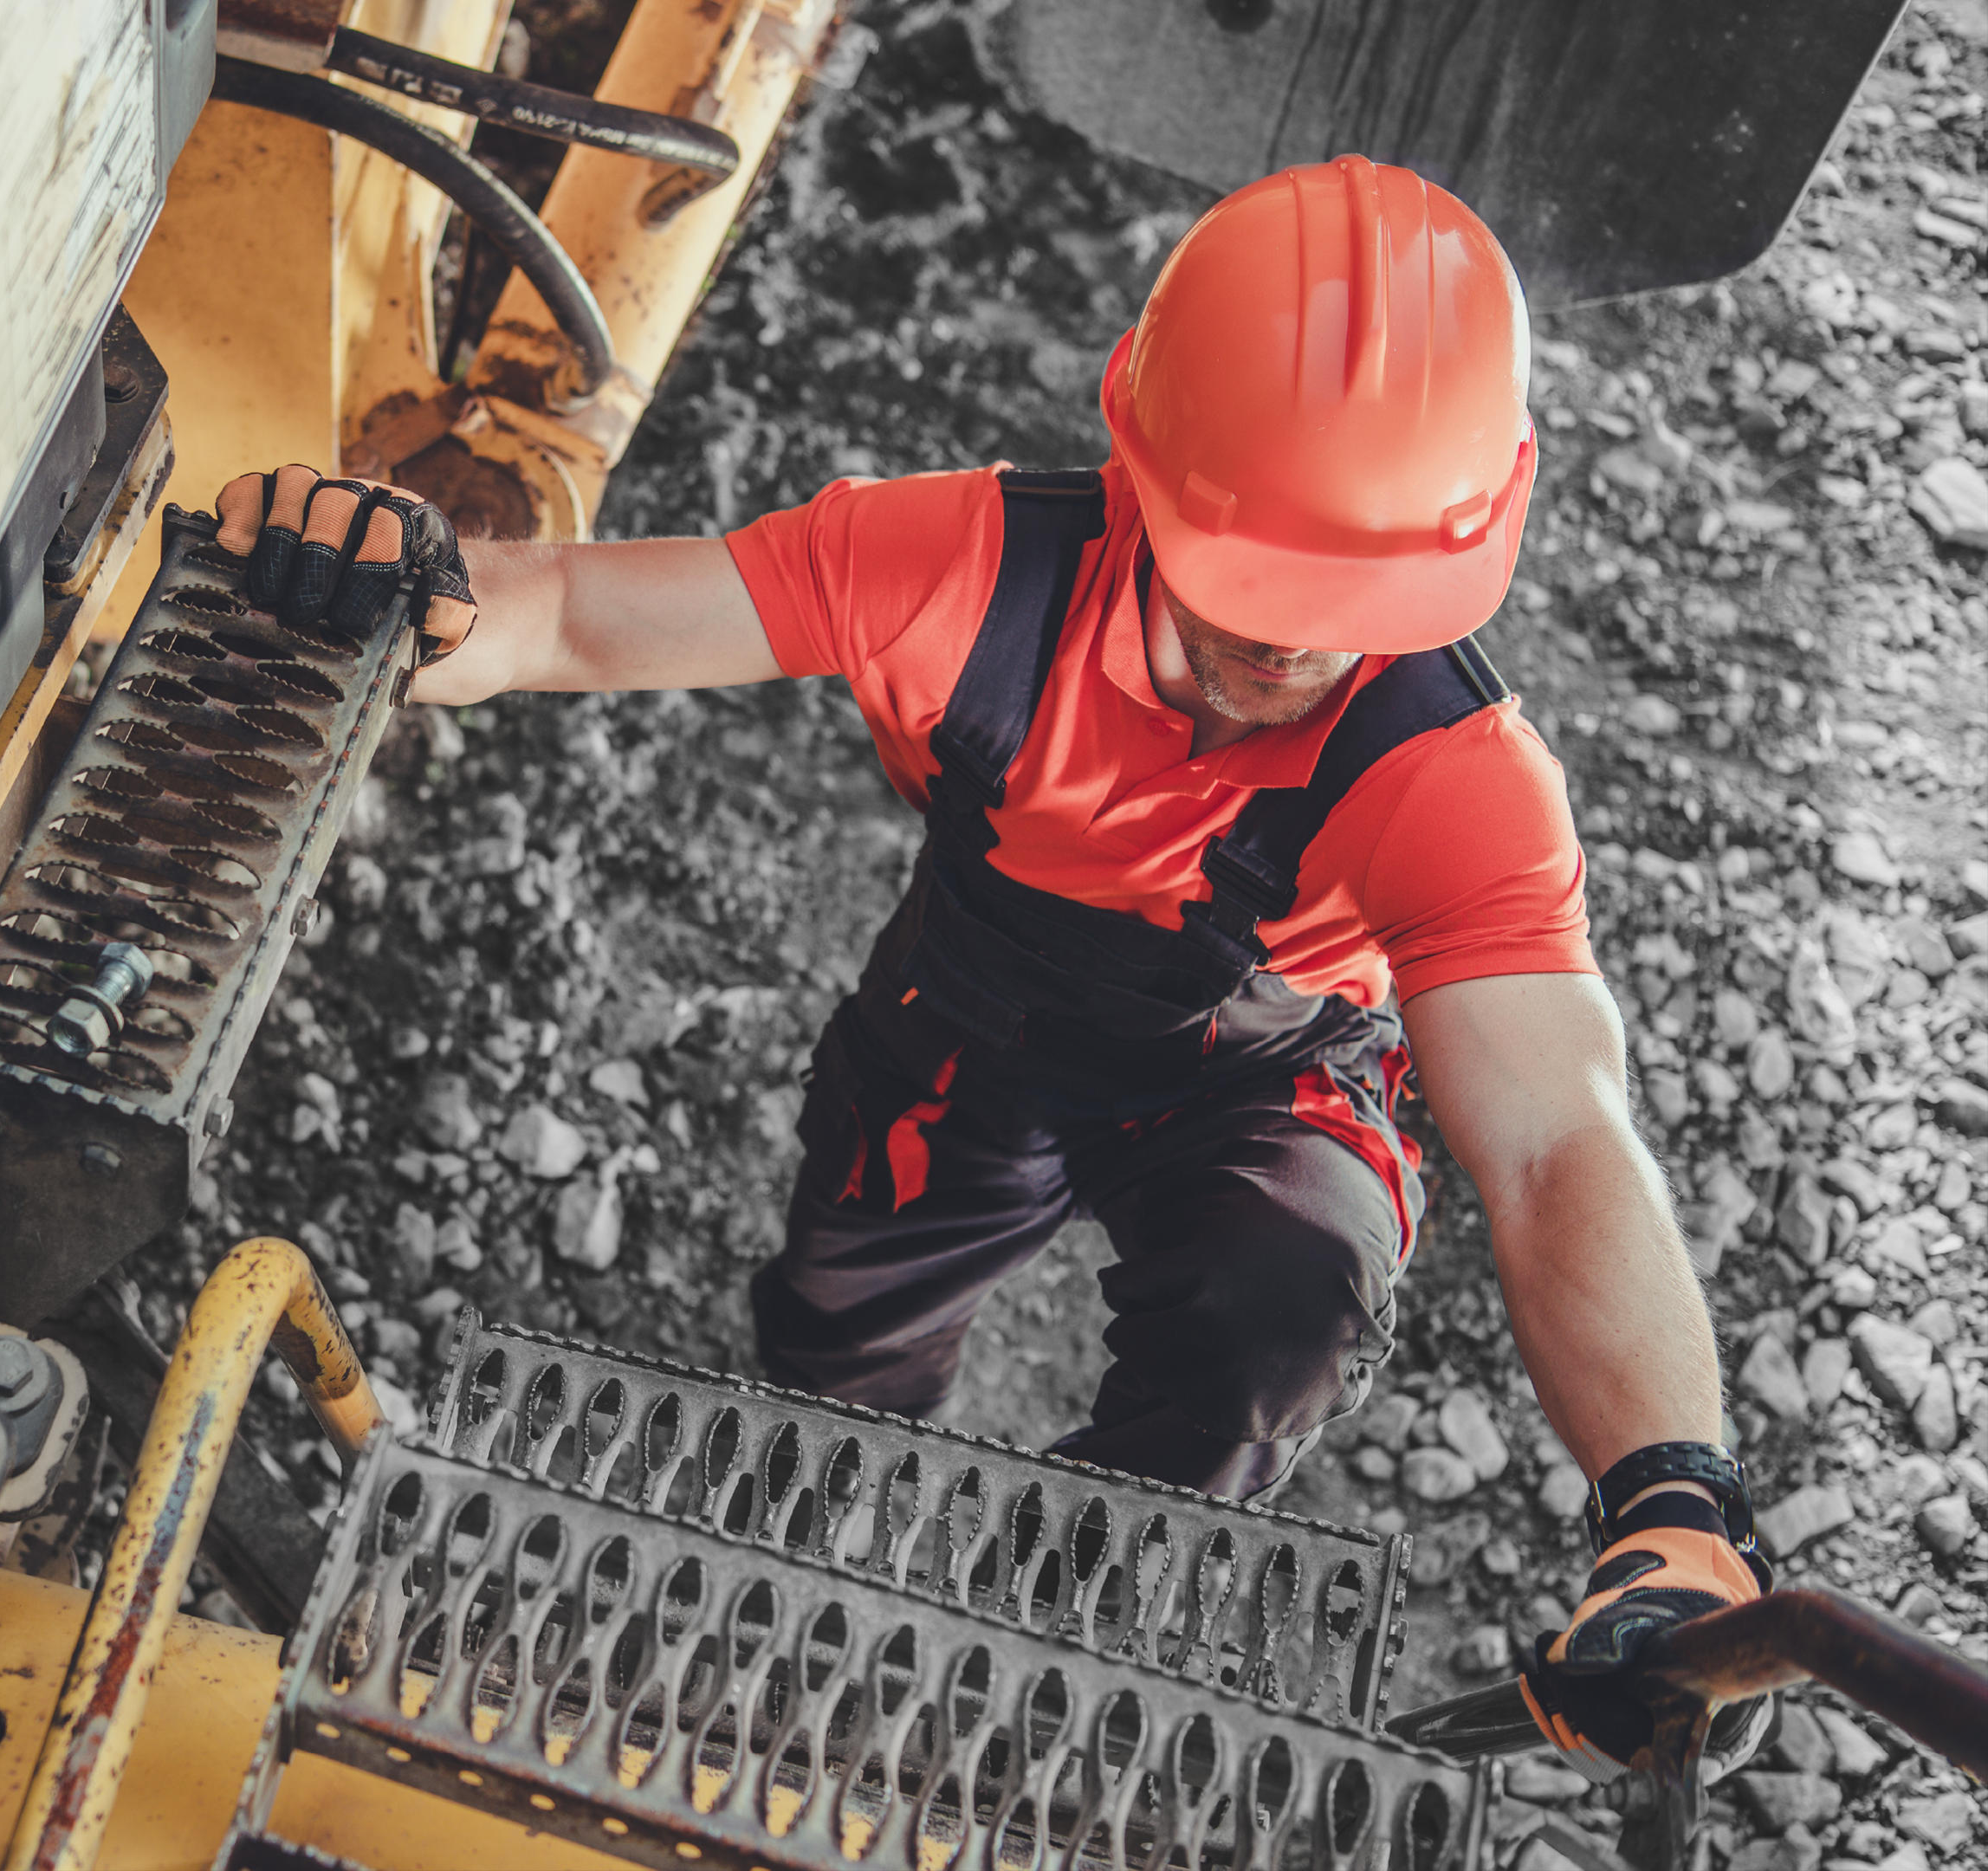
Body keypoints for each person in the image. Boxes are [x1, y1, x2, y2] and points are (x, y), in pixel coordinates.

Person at [207, 156, 1767, 1777]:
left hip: (1265, 1079)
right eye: (1253, 582)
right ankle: (810, 1505)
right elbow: (587, 615)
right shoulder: (962, 567)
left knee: (1278, 1312)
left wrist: (1671, 1497)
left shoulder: (1458, 778)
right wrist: (415, 585)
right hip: (973, 1021)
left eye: (1353, 601)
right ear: (1143, 464)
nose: (1295, 646)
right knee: (837, 1326)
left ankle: (1070, 1608)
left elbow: (1557, 1139)